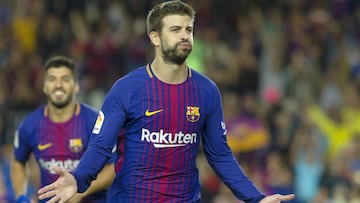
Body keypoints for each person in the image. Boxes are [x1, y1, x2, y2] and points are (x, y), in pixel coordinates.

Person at [38, 1, 295, 202]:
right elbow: (101, 146)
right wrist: (77, 179)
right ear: (155, 38)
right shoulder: (126, 89)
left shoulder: (207, 91)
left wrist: (256, 197)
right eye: (175, 30)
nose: (185, 36)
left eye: (188, 29)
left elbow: (220, 155)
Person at [11, 56, 116, 203]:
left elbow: (114, 166)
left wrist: (80, 191)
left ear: (76, 86)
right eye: (52, 79)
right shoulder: (30, 124)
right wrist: (21, 196)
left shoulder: (95, 122)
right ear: (44, 86)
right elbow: (18, 162)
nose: (58, 84)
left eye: (65, 79)